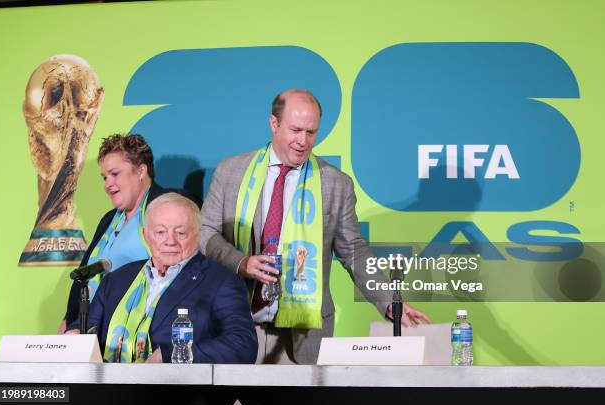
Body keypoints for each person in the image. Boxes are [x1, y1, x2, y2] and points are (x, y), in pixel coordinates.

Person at [200, 88, 432, 364]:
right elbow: (205, 234)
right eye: (296, 130)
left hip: (304, 333)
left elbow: (353, 251)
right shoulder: (230, 172)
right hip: (237, 324)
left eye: (311, 132)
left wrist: (389, 301)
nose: (303, 141)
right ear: (274, 124)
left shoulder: (336, 184)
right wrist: (242, 263)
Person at [67, 192, 257, 364]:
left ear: (197, 236)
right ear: (146, 236)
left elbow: (242, 345)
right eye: (160, 232)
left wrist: (170, 354)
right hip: (110, 392)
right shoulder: (117, 279)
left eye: (181, 232)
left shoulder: (221, 281)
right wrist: (75, 333)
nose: (170, 241)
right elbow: (88, 326)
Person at [60, 134, 193, 333]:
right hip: (91, 328)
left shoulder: (170, 205)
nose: (107, 184)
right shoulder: (109, 219)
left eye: (115, 174)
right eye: (105, 177)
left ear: (141, 170)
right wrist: (68, 322)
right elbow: (85, 277)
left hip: (139, 331)